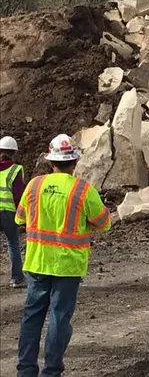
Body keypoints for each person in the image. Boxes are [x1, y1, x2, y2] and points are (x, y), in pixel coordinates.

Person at [15, 134, 111, 377]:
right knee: (59, 318)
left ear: (51, 161)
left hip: (37, 262)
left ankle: (26, 370)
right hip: (68, 266)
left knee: (32, 317)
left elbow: (20, 218)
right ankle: (51, 371)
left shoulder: (34, 185)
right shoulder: (82, 189)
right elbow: (104, 223)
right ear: (75, 162)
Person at [0, 136, 26, 288]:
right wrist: (22, 215)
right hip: (9, 212)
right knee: (12, 244)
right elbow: (18, 195)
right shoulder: (16, 169)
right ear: (14, 153)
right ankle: (17, 279)